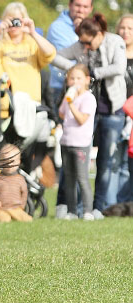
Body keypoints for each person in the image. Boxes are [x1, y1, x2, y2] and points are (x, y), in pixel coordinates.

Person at [51, 13, 126, 213]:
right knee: (75, 156)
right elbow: (55, 56)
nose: (85, 47)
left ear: (99, 34)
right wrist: (76, 70)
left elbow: (120, 67)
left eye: (88, 42)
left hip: (111, 109)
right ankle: (71, 206)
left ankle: (97, 208)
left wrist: (93, 74)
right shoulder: (81, 45)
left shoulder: (114, 41)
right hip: (85, 109)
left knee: (105, 162)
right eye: (82, 43)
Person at [0, 2, 56, 116]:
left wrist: (33, 33)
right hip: (3, 108)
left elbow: (50, 54)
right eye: (10, 20)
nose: (14, 24)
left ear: (24, 20)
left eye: (17, 20)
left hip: (28, 107)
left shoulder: (33, 43)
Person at [58, 64, 97, 220]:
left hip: (81, 144)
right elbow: (61, 113)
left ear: (87, 80)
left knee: (82, 178)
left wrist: (71, 103)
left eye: (79, 78)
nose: (75, 81)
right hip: (66, 142)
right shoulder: (69, 97)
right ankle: (72, 211)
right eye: (72, 78)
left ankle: (87, 211)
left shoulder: (89, 98)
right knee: (69, 179)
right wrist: (68, 100)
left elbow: (82, 119)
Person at [47, 0, 94, 110]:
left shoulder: (93, 28)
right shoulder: (57, 27)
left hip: (86, 90)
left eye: (85, 6)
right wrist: (80, 34)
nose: (81, 10)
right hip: (61, 89)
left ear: (91, 8)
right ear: (70, 5)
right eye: (78, 5)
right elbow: (75, 60)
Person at [0, 144, 33, 223]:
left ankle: (16, 216)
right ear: (0, 162)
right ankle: (4, 217)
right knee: (4, 219)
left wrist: (21, 206)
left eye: (13, 161)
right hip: (0, 209)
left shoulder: (20, 179)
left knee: (27, 220)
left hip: (16, 209)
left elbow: (24, 194)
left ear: (19, 162)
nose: (9, 164)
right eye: (5, 161)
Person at [115, 14, 133, 203]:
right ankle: (111, 204)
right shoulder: (112, 54)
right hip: (115, 112)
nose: (126, 32)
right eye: (123, 28)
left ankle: (124, 204)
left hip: (132, 117)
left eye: (130, 28)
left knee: (128, 165)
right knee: (113, 161)